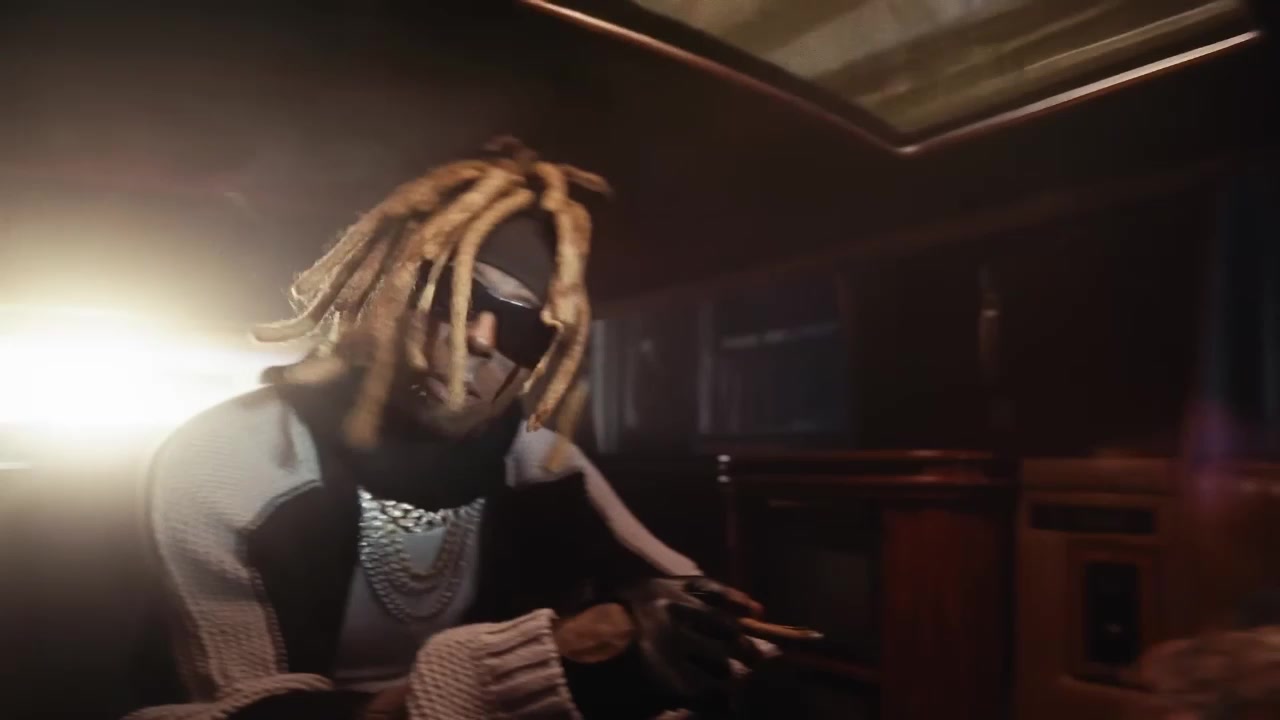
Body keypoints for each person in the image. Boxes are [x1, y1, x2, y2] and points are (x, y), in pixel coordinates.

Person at [128, 140, 776, 720]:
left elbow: (690, 596)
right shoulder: (228, 464)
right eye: (456, 295)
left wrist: (686, 628)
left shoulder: (538, 459)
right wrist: (523, 670)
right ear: (378, 288)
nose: (481, 338)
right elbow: (245, 708)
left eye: (523, 327)